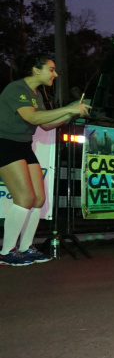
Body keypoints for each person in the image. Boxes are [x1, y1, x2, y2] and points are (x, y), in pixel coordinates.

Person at [0, 54, 90, 265]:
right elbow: (32, 117)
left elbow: (46, 125)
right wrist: (69, 108)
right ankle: (6, 251)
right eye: (51, 69)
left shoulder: (36, 94)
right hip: (5, 143)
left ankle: (25, 248)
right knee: (24, 199)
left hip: (23, 145)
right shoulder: (15, 89)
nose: (55, 74)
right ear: (36, 70)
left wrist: (72, 113)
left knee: (38, 199)